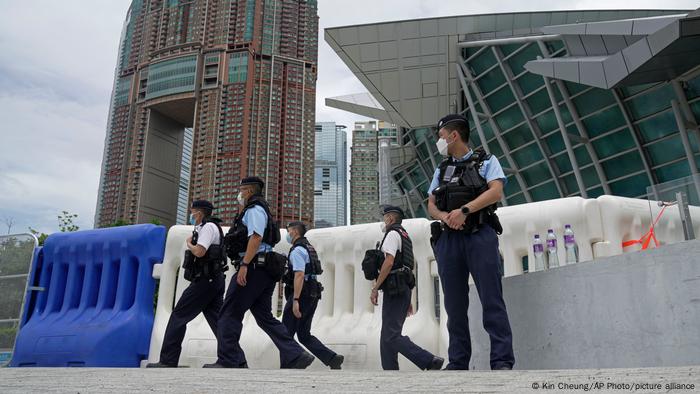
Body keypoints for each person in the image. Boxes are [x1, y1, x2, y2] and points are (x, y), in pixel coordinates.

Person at [427, 114, 515, 370]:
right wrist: (446, 216)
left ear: (454, 135)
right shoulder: (441, 169)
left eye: (441, 136)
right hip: (449, 240)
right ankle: (458, 361)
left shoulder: (486, 161)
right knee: (454, 306)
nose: (439, 141)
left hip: (479, 235)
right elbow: (431, 203)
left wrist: (463, 211)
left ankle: (502, 361)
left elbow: (496, 191)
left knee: (492, 299)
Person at [204, 177, 314, 369]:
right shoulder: (260, 209)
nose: (239, 195)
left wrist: (245, 264)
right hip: (263, 269)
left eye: (241, 191)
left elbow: (255, 237)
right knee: (265, 317)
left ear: (248, 191)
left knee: (228, 312)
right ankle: (296, 354)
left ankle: (229, 360)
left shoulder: (254, 209)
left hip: (253, 267)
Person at [147, 200, 226, 368]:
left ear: (199, 213)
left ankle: (168, 360)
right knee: (218, 321)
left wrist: (189, 244)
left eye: (193, 211)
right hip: (213, 280)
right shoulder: (208, 227)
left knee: (178, 316)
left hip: (205, 281)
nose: (191, 214)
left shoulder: (208, 228)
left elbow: (200, 251)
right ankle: (236, 359)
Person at [371, 205, 444, 371]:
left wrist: (375, 287)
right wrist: (408, 298)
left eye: (385, 217)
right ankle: (390, 370)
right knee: (387, 335)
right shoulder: (405, 236)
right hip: (402, 289)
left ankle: (429, 360)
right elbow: (407, 268)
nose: (383, 220)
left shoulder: (391, 235)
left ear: (390, 218)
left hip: (395, 289)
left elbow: (389, 262)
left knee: (391, 335)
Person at [281, 221, 344, 370]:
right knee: (303, 334)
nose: (287, 234)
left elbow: (299, 274)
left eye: (288, 231)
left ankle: (289, 364)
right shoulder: (309, 247)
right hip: (313, 293)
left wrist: (295, 300)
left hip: (301, 294)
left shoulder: (297, 250)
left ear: (295, 232)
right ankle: (332, 359)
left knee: (285, 333)